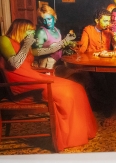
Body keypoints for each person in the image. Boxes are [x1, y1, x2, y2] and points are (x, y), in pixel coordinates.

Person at [0, 19, 97, 151]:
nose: (32, 34)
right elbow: (15, 64)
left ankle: (83, 131)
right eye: (30, 30)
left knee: (77, 87)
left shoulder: (24, 44)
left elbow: (48, 50)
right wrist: (26, 44)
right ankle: (69, 137)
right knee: (66, 94)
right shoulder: (4, 40)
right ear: (20, 29)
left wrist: (65, 40)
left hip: (34, 78)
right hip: (21, 85)